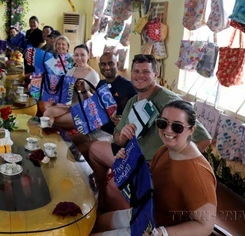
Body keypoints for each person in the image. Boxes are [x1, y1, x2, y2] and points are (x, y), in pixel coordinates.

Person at [88, 54, 212, 212]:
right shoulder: (133, 101)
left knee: (115, 186)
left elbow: (204, 139)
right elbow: (117, 140)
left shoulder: (169, 102)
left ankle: (133, 219)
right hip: (132, 156)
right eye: (136, 71)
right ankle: (101, 204)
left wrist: (168, 168)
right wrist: (123, 136)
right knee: (93, 149)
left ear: (155, 74)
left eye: (146, 72)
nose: (140, 76)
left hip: (152, 166)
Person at [93, 100, 217, 236]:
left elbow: (206, 226)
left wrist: (161, 233)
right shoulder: (165, 150)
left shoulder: (196, 173)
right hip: (147, 213)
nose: (168, 130)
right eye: (163, 123)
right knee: (97, 223)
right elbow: (149, 183)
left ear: (191, 130)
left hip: (161, 228)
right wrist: (125, 164)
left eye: (177, 127)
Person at [42, 44, 100, 128]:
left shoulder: (93, 75)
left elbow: (96, 101)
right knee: (47, 113)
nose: (79, 58)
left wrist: (84, 91)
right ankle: (45, 138)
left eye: (82, 55)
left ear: (88, 56)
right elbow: (63, 92)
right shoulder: (71, 71)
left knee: (54, 120)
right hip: (68, 106)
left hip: (83, 110)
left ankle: (50, 135)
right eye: (76, 55)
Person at [96, 52, 137, 135]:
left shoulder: (128, 85)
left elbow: (138, 111)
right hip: (100, 131)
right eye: (103, 64)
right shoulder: (100, 84)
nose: (107, 67)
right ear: (99, 66)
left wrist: (125, 120)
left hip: (119, 134)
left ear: (117, 64)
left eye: (111, 63)